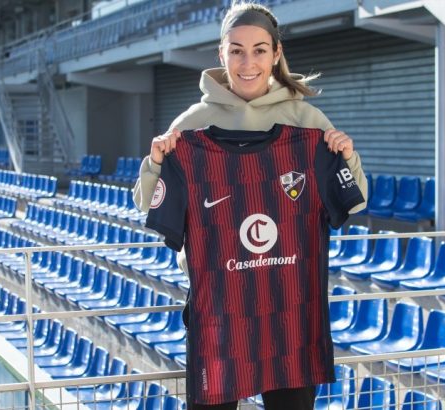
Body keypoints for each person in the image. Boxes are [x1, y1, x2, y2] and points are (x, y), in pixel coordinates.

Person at [133, 3, 368, 409]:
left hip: (289, 307)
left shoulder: (306, 120)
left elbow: (355, 200)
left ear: (275, 54)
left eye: (259, 50)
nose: (248, 62)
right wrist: (156, 162)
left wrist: (346, 156)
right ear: (220, 54)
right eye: (237, 50)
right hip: (219, 310)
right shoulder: (192, 123)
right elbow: (146, 203)